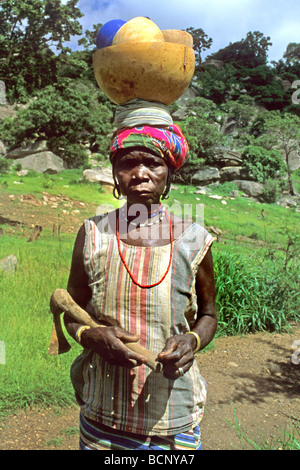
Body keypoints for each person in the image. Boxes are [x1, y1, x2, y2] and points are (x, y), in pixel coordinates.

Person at [64, 123, 217, 451]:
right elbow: (71, 311)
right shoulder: (93, 234)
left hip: (172, 415)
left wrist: (191, 340)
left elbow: (209, 314)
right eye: (127, 163)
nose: (140, 173)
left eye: (152, 163)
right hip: (102, 413)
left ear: (169, 173)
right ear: (115, 173)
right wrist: (88, 336)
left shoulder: (193, 239)